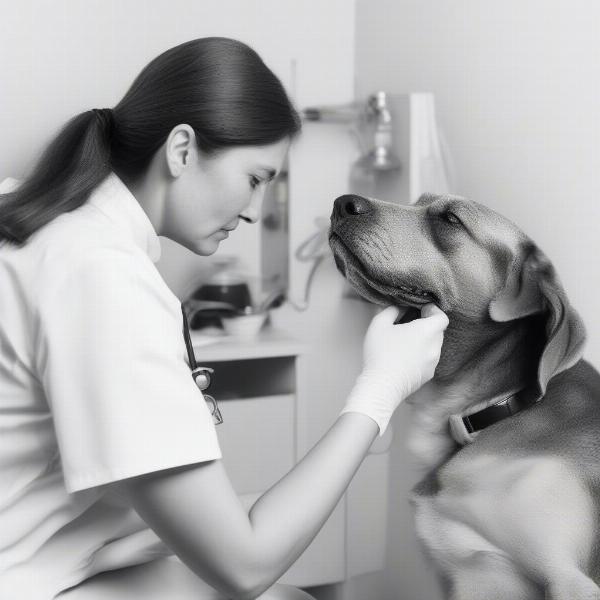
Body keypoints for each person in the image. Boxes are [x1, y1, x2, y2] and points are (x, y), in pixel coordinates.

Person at [0, 37, 449, 600]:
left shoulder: (41, 221)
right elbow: (245, 566)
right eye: (256, 178)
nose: (254, 211)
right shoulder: (100, 276)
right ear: (182, 150)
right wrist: (379, 392)